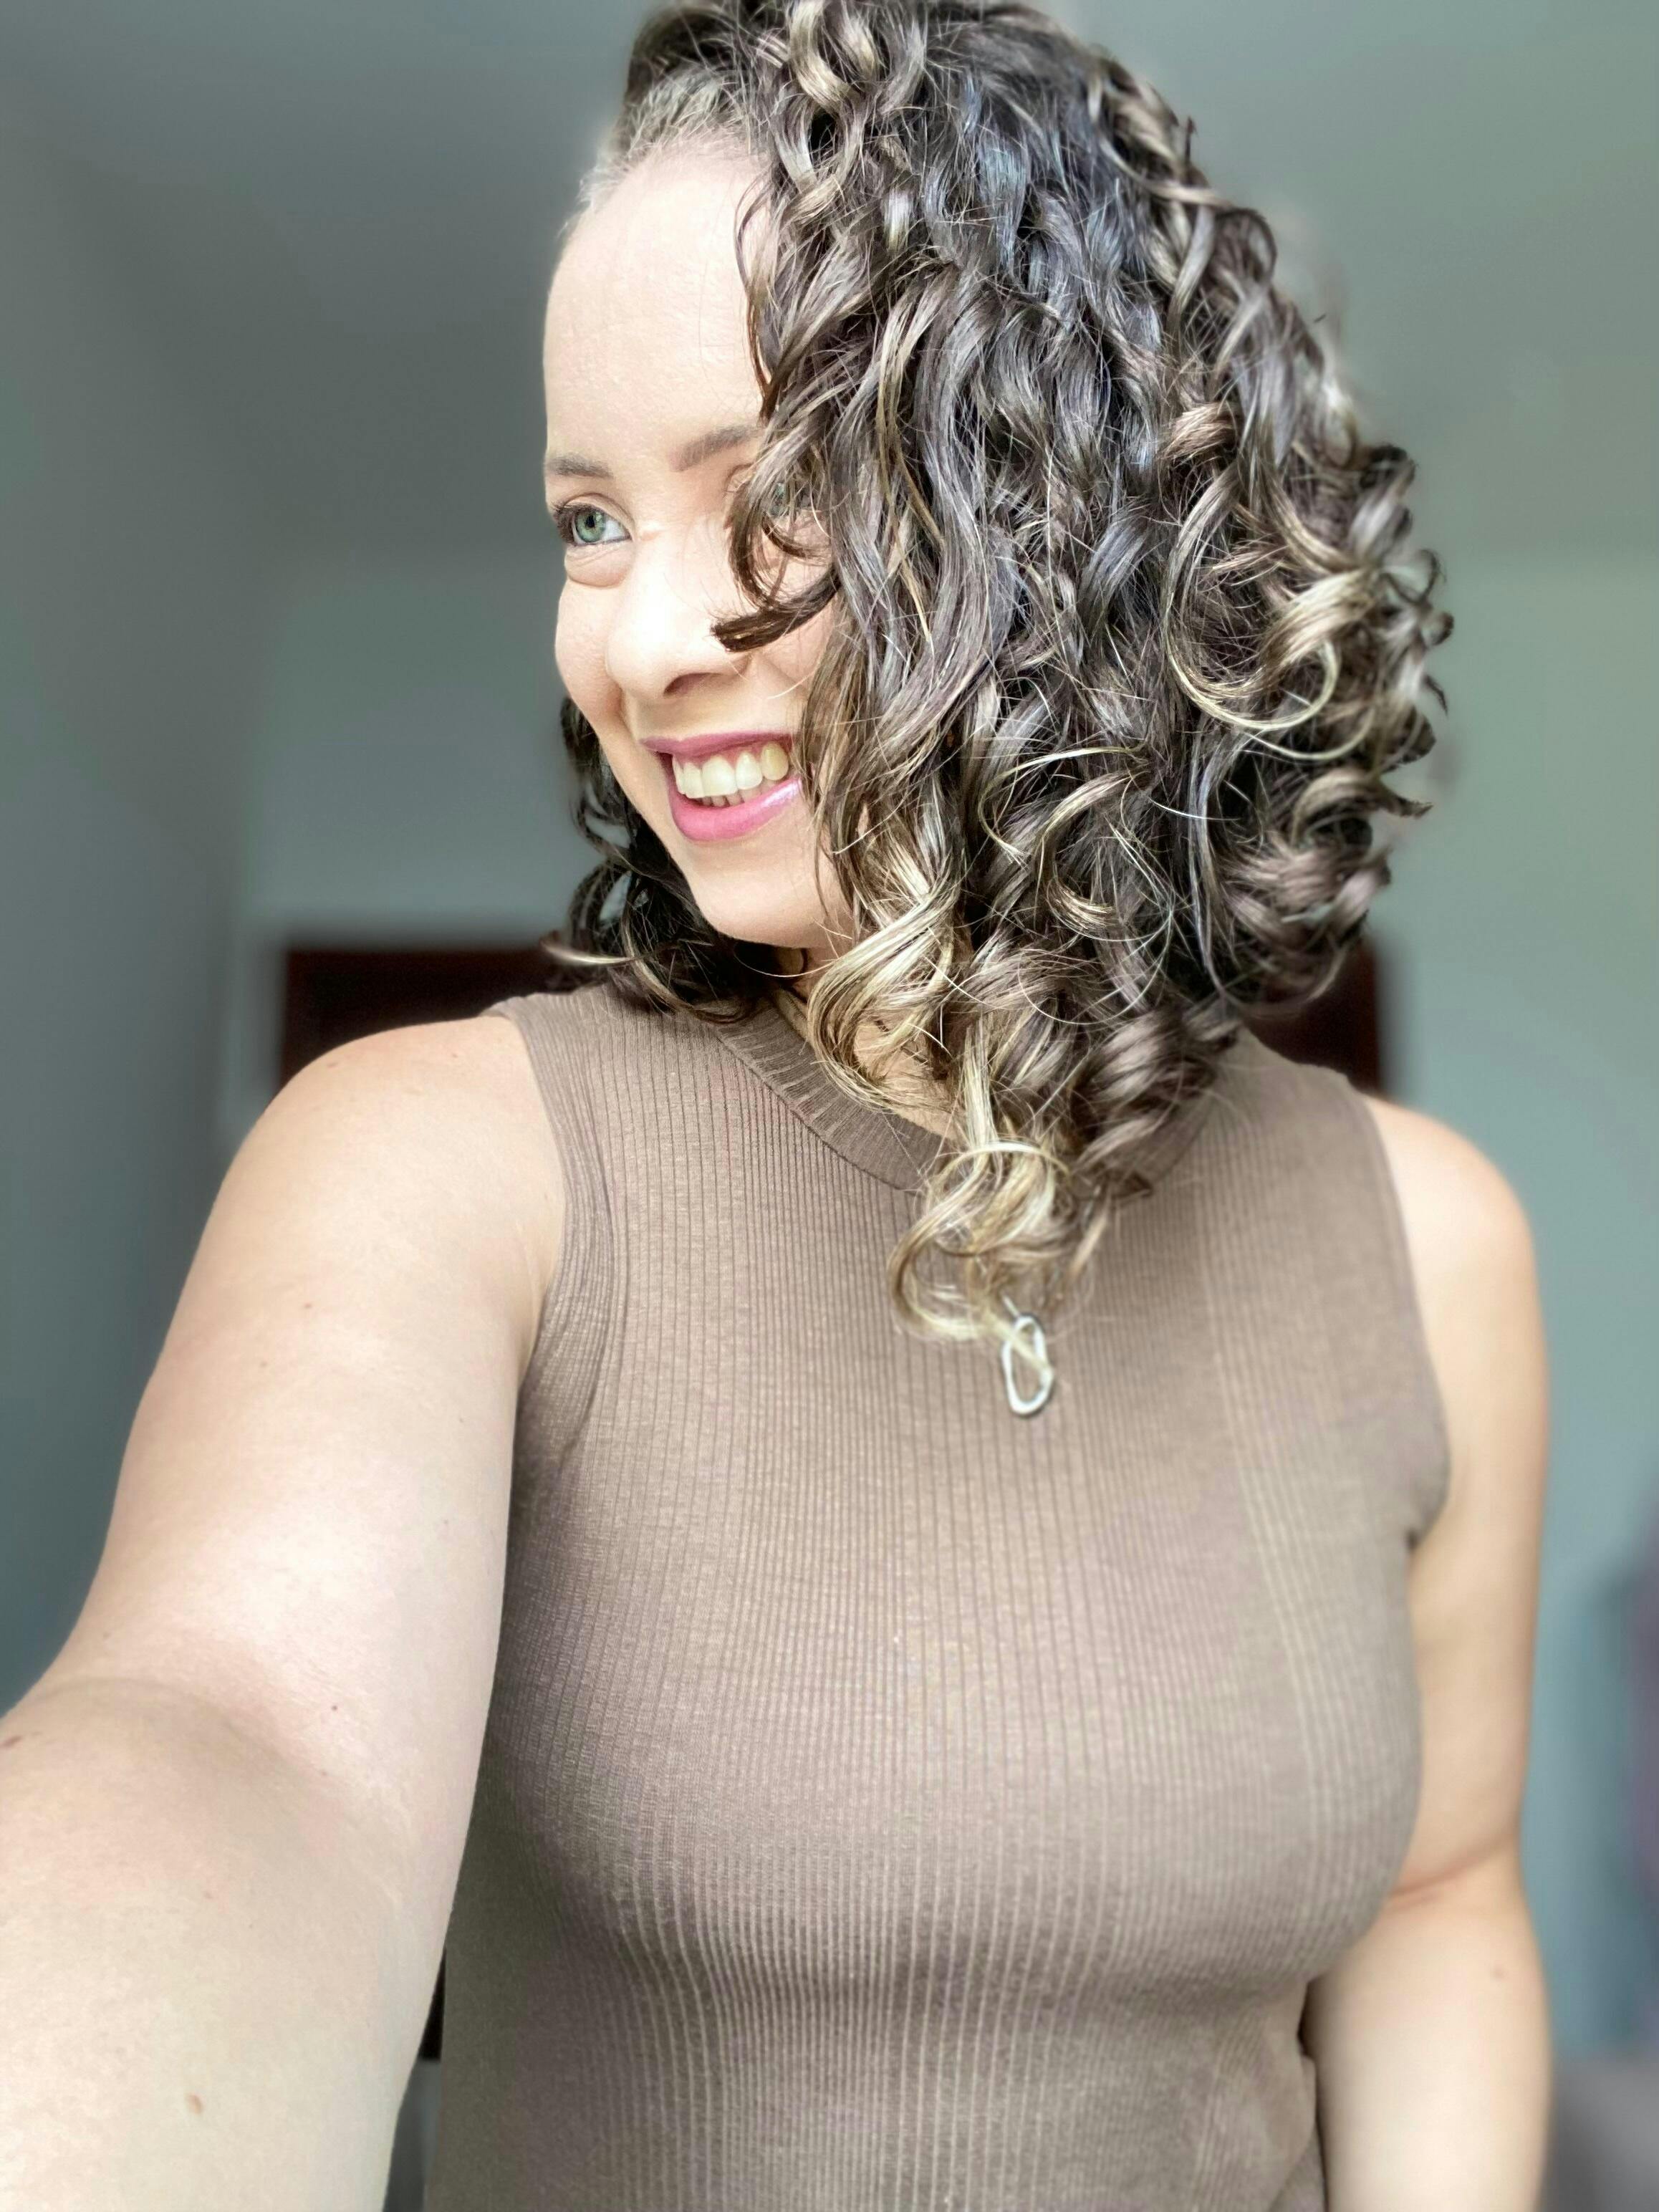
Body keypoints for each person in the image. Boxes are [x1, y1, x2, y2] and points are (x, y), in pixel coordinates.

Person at [0, 4, 1552, 2207]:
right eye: (586, 520)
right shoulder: (437, 1166)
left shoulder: (1429, 1249)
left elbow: (1436, 1898)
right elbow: (228, 1733)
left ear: (1072, 508)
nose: (638, 643)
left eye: (781, 497)